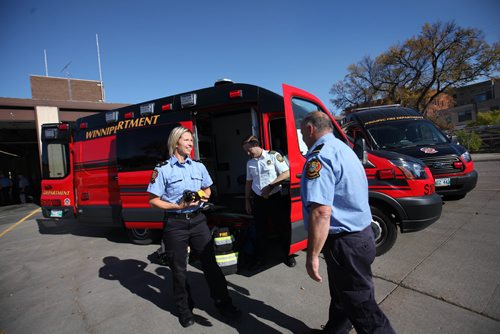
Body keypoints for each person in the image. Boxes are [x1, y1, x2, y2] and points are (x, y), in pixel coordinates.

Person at [300, 111, 394, 334]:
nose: (303, 138)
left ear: (310, 129)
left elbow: (321, 212)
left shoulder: (319, 157)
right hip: (362, 234)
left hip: (345, 244)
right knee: (343, 295)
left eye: (303, 133)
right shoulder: (344, 149)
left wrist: (312, 255)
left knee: (362, 306)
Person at [147, 126, 240, 328]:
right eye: (187, 140)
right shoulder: (162, 169)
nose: (191, 143)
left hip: (198, 221)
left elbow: (207, 189)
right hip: (175, 223)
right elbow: (153, 200)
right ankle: (185, 310)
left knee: (211, 266)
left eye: (191, 140)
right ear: (176, 142)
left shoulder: (198, 167)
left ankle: (224, 304)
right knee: (179, 270)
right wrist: (177, 205)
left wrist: (200, 196)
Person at [242, 135, 295, 268]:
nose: (248, 153)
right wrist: (247, 201)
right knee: (261, 230)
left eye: (249, 150)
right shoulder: (250, 163)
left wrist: (271, 186)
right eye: (246, 151)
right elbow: (248, 182)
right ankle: (262, 258)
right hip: (258, 200)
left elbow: (286, 173)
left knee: (282, 228)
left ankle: (288, 255)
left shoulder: (273, 156)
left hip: (275, 198)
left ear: (256, 145)